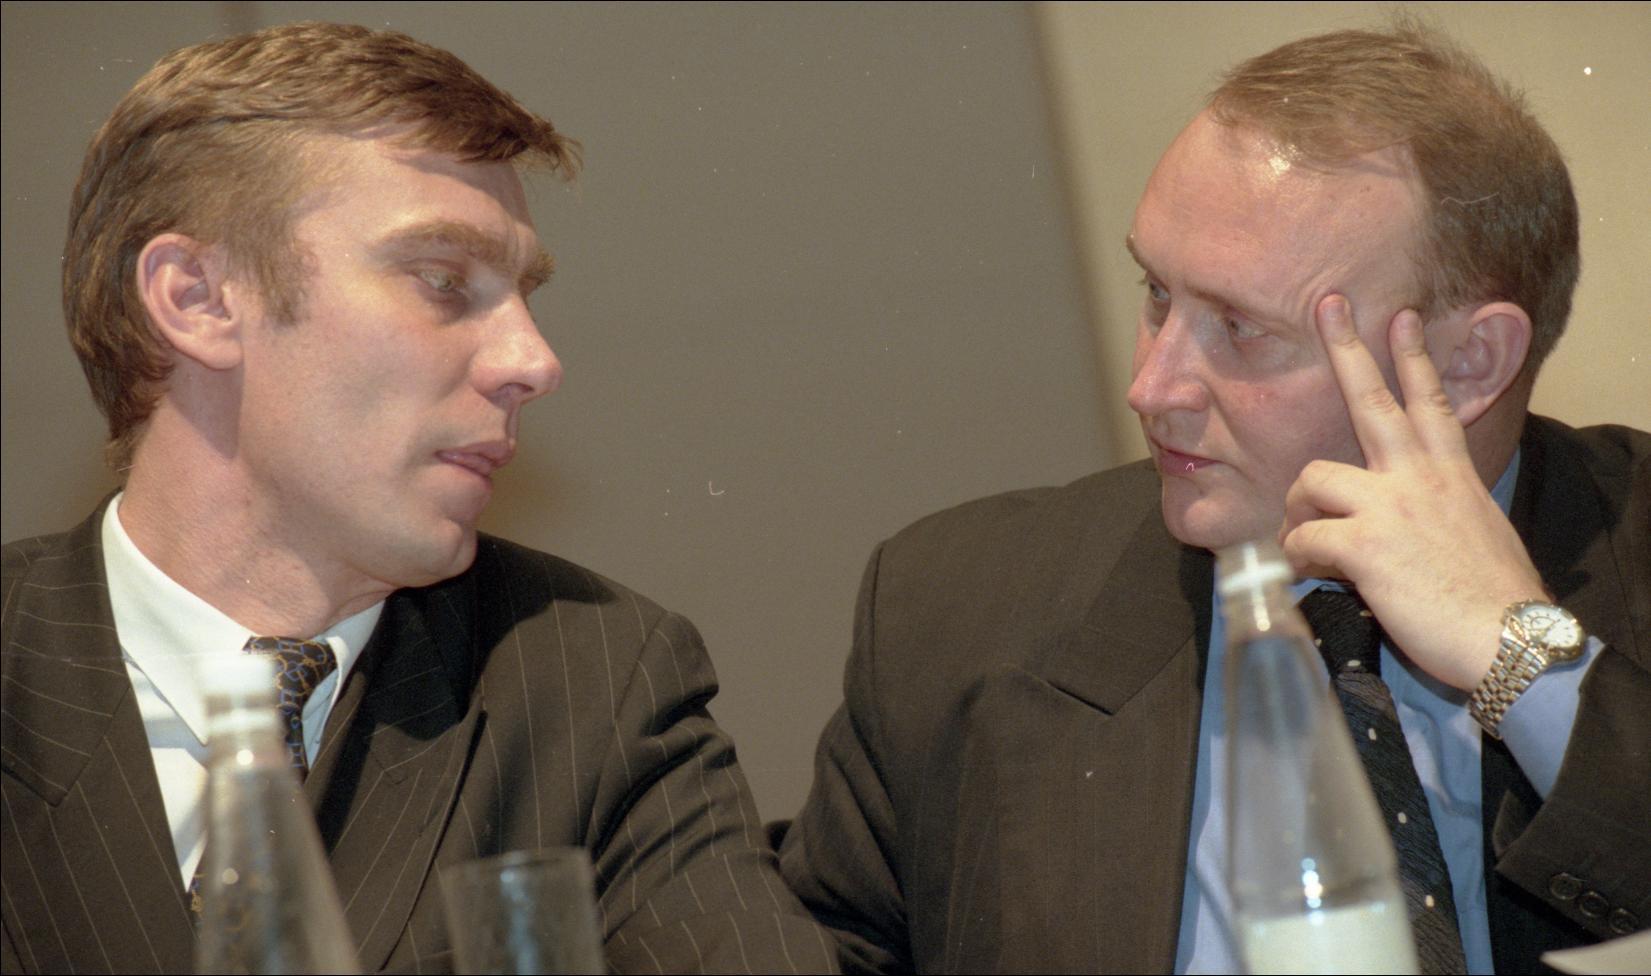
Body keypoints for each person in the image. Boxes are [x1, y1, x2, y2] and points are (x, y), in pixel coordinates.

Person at [778, 20, 1649, 975]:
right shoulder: (953, 612)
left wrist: (1520, 660)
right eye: (1156, 292)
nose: (1150, 387)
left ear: (1469, 361)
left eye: (1241, 328)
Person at [0, 22, 833, 975]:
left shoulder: (594, 685)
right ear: (197, 298)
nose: (534, 361)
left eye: (525, 296)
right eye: (443, 281)